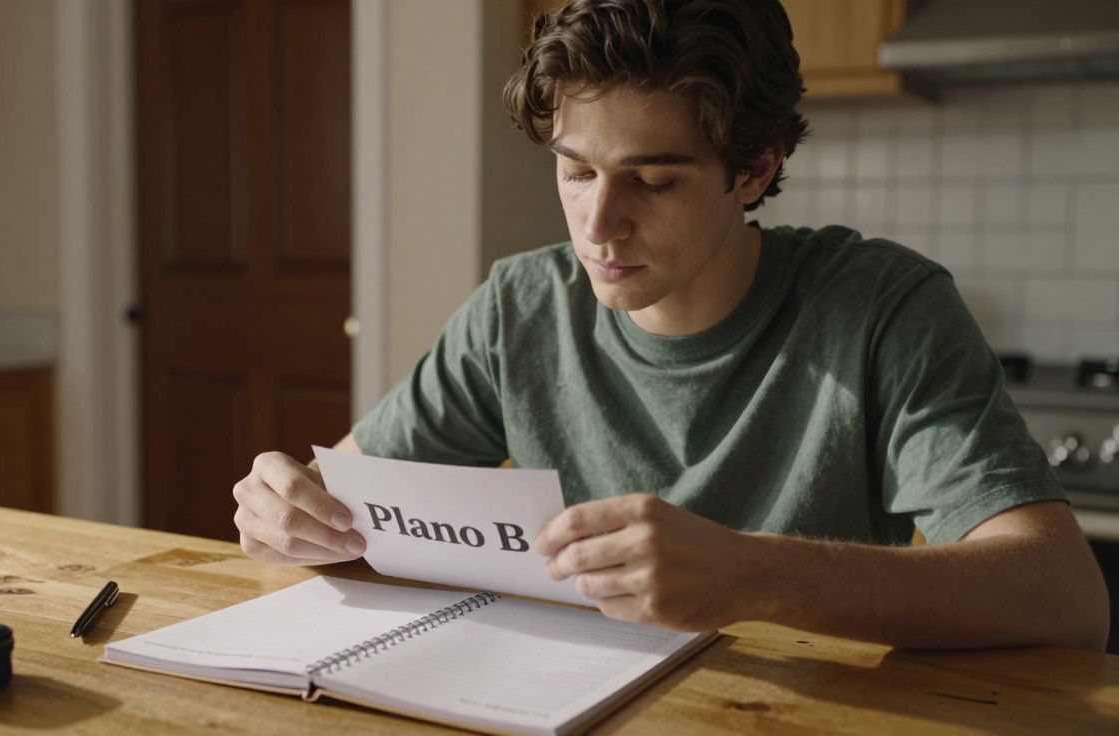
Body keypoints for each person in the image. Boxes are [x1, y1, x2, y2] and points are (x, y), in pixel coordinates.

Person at [232, 0, 1109, 651]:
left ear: (753, 170)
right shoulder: (518, 307)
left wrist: (753, 573)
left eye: (652, 182)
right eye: (576, 172)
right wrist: (289, 511)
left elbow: (1067, 600)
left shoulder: (884, 307)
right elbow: (341, 499)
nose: (599, 226)